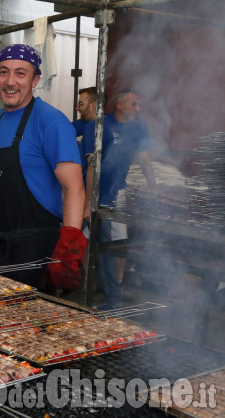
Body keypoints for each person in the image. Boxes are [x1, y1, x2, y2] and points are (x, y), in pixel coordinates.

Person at [0, 44, 87, 294]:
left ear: (35, 79)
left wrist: (68, 252)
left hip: (36, 250)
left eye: (20, 73)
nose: (10, 81)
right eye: (3, 72)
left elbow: (74, 188)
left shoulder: (51, 122)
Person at [82, 89, 156, 309]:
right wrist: (89, 202)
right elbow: (91, 167)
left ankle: (112, 294)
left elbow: (145, 159)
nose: (138, 109)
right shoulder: (99, 126)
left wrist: (154, 190)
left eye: (139, 105)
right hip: (95, 195)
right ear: (120, 105)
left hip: (118, 195)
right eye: (134, 104)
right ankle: (103, 295)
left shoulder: (139, 127)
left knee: (113, 247)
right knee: (97, 246)